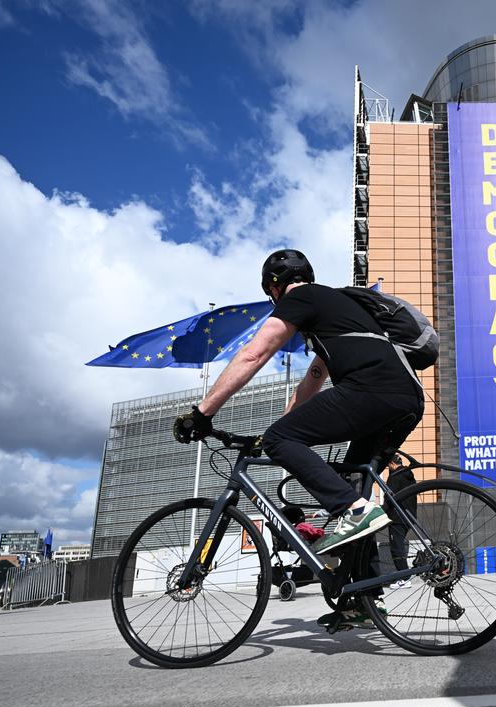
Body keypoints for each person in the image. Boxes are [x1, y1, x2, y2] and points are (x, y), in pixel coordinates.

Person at [173, 249, 425, 563]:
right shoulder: (334, 312)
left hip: (372, 389)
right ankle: (362, 590)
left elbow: (253, 355)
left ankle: (355, 511)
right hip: (407, 398)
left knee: (287, 445)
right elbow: (312, 380)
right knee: (351, 481)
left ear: (274, 287)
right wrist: (278, 428)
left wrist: (202, 413)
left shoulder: (301, 297)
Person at [384, 455, 418, 589]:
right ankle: (403, 575)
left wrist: (382, 512)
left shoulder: (395, 476)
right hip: (409, 515)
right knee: (399, 546)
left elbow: (389, 497)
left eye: (388, 465)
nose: (388, 468)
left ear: (392, 463)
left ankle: (404, 578)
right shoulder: (408, 475)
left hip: (397, 517)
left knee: (397, 548)